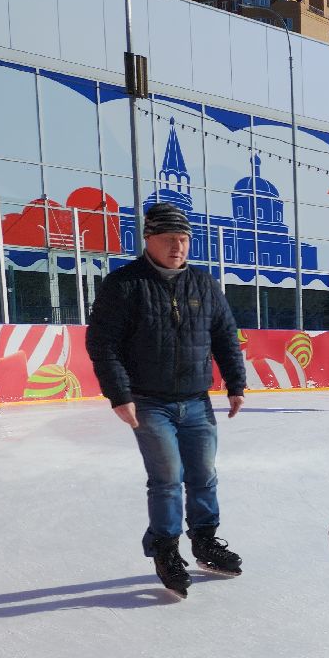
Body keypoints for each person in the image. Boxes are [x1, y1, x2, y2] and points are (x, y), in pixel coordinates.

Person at [85, 202, 246, 599]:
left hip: (195, 399)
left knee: (204, 476)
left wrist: (236, 383)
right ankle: (166, 548)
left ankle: (205, 541)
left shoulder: (204, 284)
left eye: (184, 239)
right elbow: (103, 344)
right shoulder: (124, 284)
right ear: (149, 239)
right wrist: (119, 395)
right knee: (168, 479)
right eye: (169, 238)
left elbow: (225, 336)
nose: (178, 246)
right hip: (149, 401)